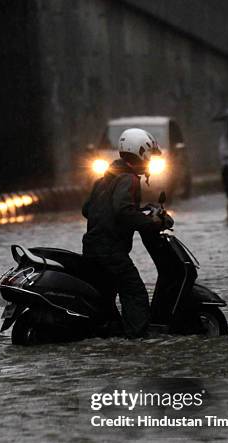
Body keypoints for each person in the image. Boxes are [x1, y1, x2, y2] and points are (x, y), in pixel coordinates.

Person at [82, 128, 173, 339]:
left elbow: (87, 209)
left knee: (106, 294)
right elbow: (123, 211)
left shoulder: (103, 179)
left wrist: (135, 215)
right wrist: (151, 222)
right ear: (141, 152)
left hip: (92, 247)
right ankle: (137, 340)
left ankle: (108, 333)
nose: (150, 161)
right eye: (149, 155)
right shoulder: (129, 179)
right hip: (111, 251)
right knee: (134, 291)